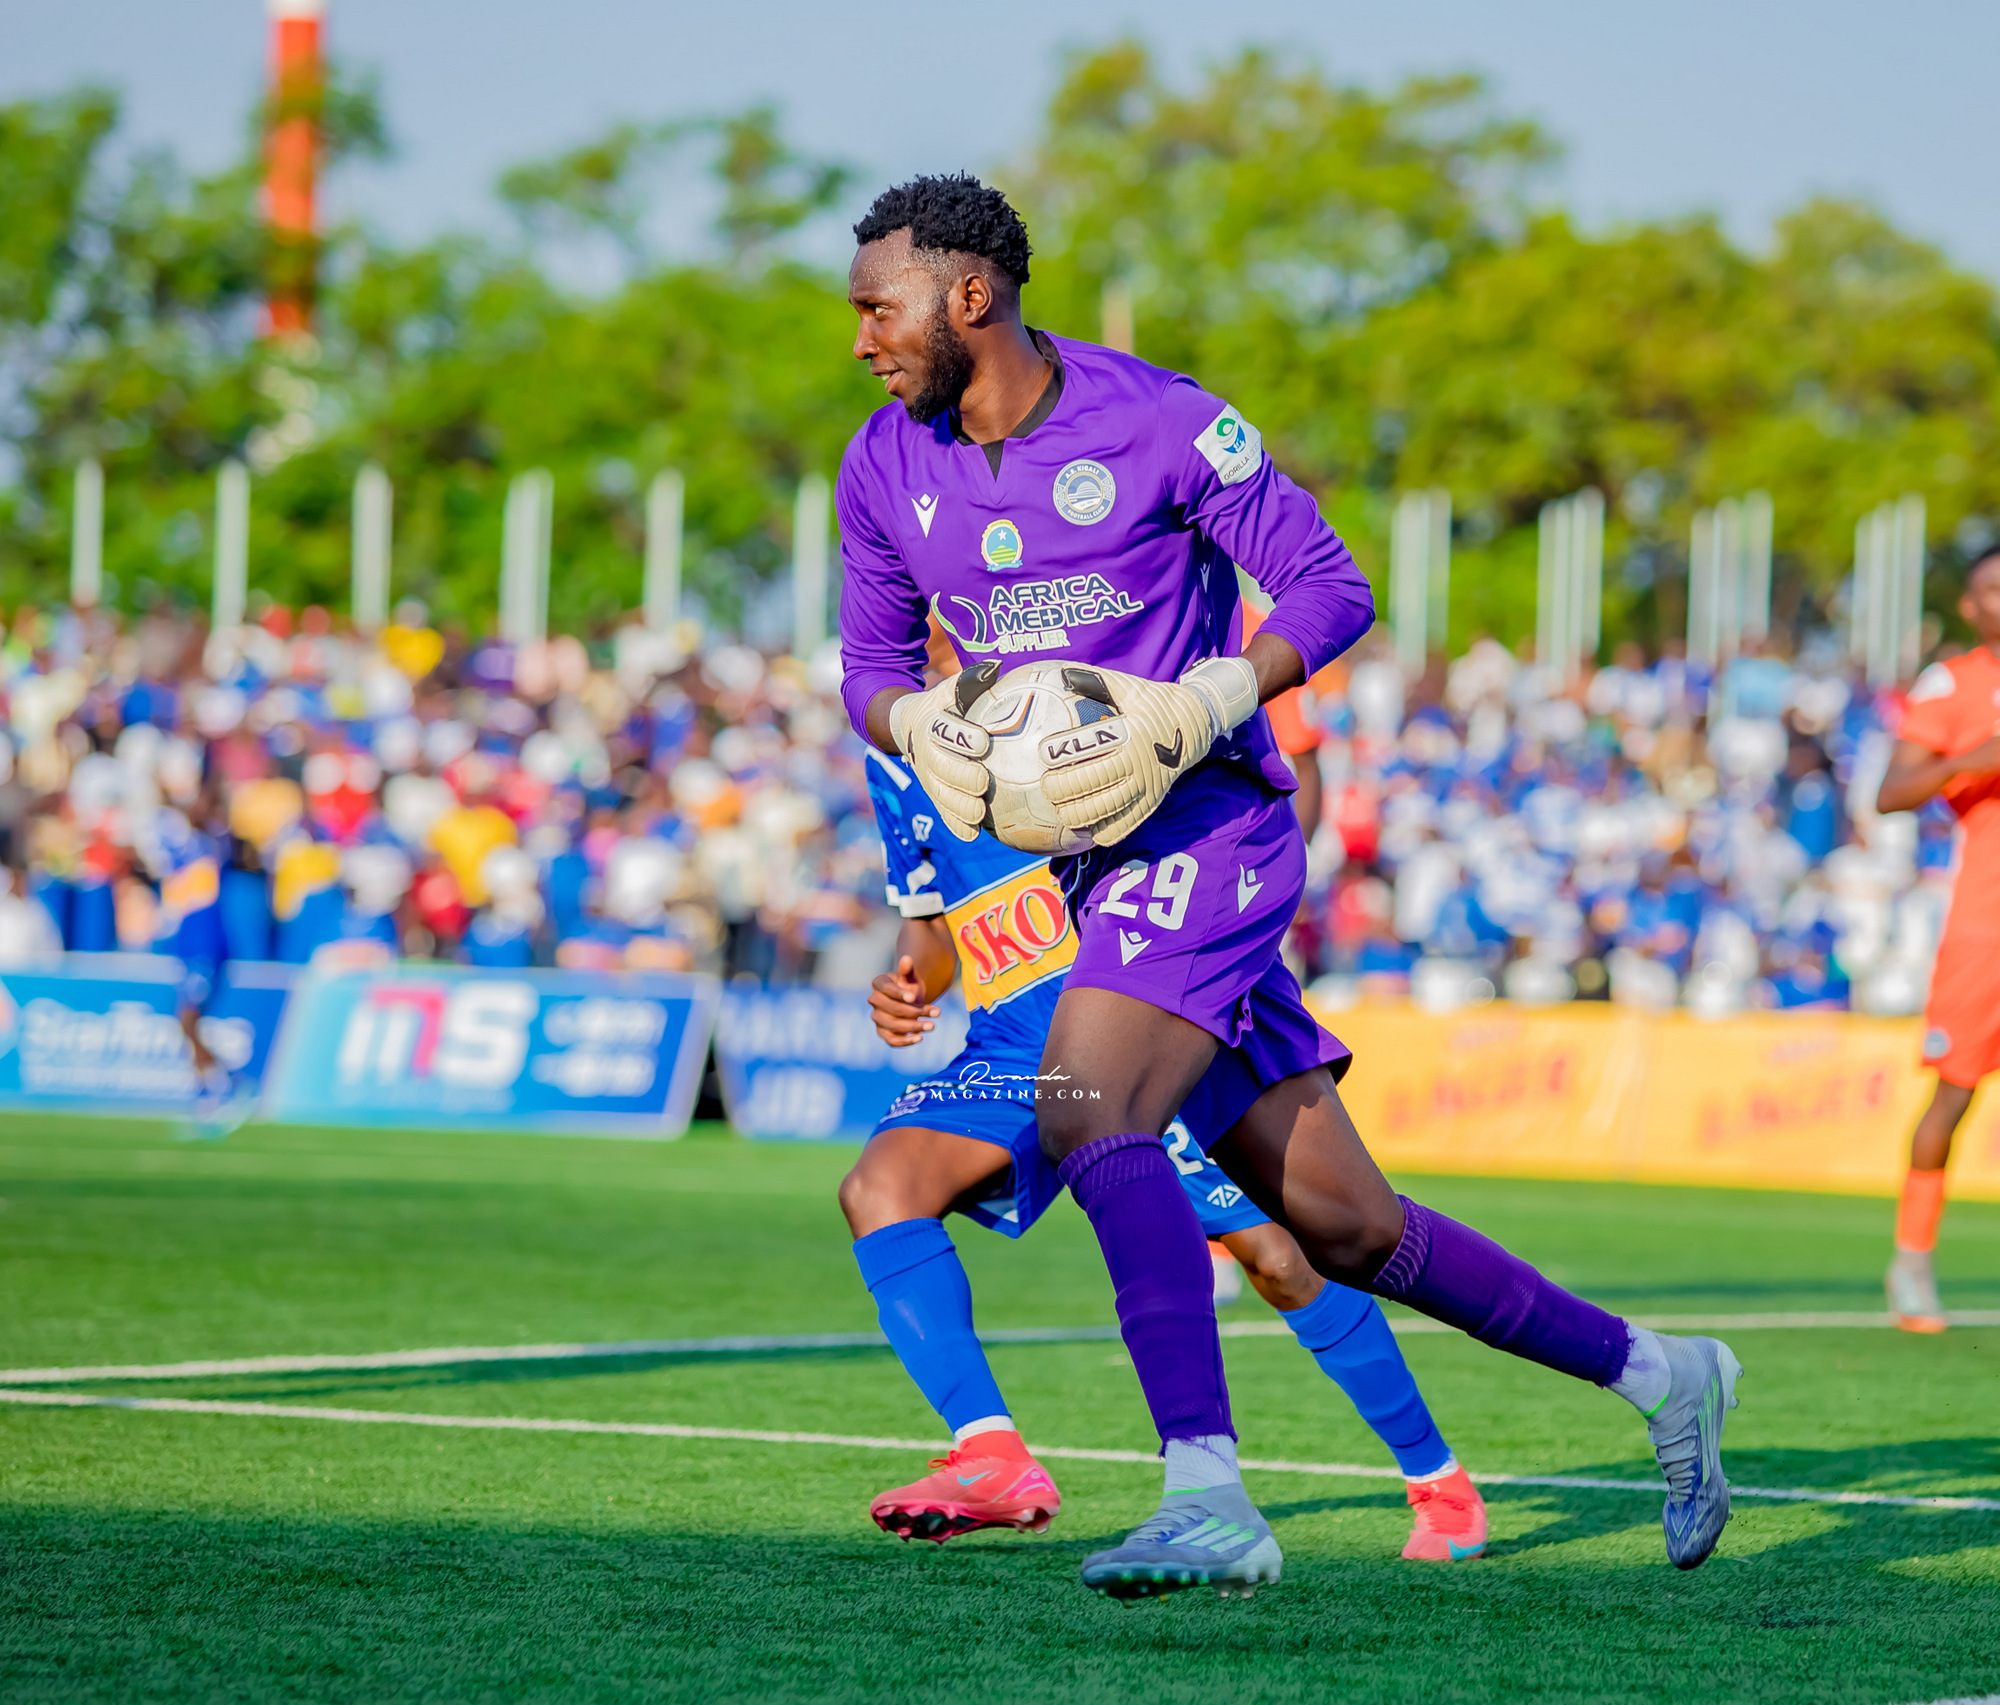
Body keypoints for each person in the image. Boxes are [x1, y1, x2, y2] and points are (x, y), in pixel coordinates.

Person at [836, 173, 1739, 1598]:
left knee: (1086, 1107)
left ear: (969, 294)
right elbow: (870, 669)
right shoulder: (884, 463)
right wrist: (922, 725)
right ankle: (1662, 1373)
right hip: (1084, 873)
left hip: (1211, 829)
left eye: (877, 309)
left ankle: (1206, 1495)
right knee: (1346, 1229)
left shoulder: (1162, 422)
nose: (862, 341)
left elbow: (1328, 586)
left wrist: (1203, 699)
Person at [845, 747, 1488, 1565]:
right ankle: (989, 1451)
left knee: (1280, 1260)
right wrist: (911, 983)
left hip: (1132, 1018)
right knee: (879, 1188)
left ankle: (1438, 1479)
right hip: (1008, 1043)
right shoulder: (891, 749)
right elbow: (932, 921)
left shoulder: (1063, 686)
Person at [1876, 547, 2000, 1331]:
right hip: (1986, 927)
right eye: (1995, 588)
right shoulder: (1953, 685)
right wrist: (1978, 758)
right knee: (1953, 1093)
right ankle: (1912, 1261)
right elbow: (1891, 791)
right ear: (1970, 605)